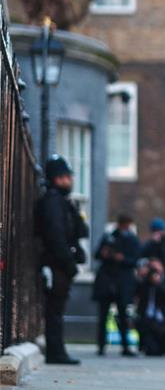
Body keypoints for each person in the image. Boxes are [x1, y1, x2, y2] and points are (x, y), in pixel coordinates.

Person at [34, 155, 89, 365]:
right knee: (54, 310)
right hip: (56, 264)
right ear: (57, 178)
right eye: (66, 177)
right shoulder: (52, 203)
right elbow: (55, 236)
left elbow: (81, 230)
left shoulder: (62, 202)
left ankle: (57, 350)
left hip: (61, 263)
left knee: (57, 309)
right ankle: (55, 352)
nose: (70, 181)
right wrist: (68, 264)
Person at [93, 214, 140, 357]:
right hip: (107, 281)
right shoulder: (108, 237)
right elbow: (97, 255)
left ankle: (125, 346)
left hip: (122, 282)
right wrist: (105, 254)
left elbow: (135, 260)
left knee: (123, 315)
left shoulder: (132, 240)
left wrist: (123, 259)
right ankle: (101, 345)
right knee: (103, 315)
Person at [134, 259, 165, 357]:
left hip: (164, 320)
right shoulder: (145, 283)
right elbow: (136, 292)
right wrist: (142, 276)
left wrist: (158, 283)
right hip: (149, 321)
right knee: (153, 352)